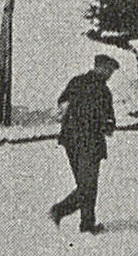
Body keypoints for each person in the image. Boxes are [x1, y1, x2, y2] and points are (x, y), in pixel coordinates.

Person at [50, 53, 120, 234]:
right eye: (109, 70)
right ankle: (59, 211)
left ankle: (87, 224)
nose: (110, 74)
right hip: (89, 142)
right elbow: (109, 122)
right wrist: (108, 126)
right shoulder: (103, 91)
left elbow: (61, 103)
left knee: (85, 185)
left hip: (71, 141)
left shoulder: (76, 82)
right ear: (101, 68)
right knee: (88, 187)